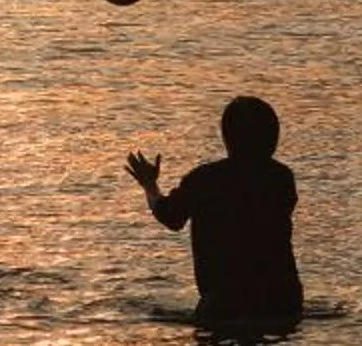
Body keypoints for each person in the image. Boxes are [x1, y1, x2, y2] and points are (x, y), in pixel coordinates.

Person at [124, 95, 302, 325]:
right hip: (284, 300)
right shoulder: (281, 179)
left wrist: (149, 185)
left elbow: (171, 217)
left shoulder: (204, 180)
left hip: (224, 304)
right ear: (273, 137)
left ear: (226, 137)